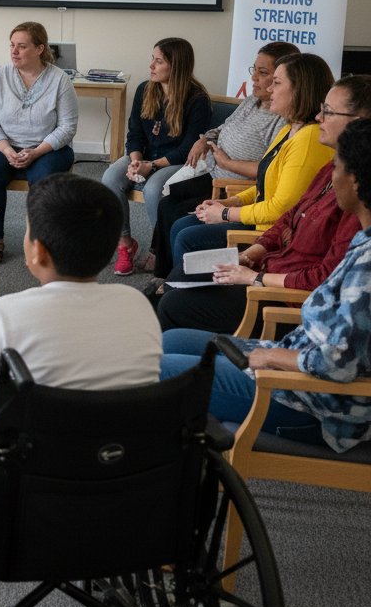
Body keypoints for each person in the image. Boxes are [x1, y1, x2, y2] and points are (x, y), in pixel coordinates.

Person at [161, 116, 371, 453]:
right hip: (293, 367)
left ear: (357, 182)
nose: (332, 175)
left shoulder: (367, 264)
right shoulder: (363, 242)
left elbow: (338, 363)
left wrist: (269, 356)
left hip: (313, 404)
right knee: (171, 339)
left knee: (159, 369)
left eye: (337, 167)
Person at [0, 174, 162, 447]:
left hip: (29, 469)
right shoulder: (138, 304)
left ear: (39, 251)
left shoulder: (5, 315)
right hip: (119, 459)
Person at [157, 74, 371, 333]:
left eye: (328, 112)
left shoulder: (358, 198)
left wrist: (255, 277)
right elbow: (288, 215)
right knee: (182, 274)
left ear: (360, 123)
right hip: (271, 268)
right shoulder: (331, 165)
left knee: (174, 303)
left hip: (285, 301)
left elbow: (324, 277)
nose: (319, 117)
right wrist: (251, 253)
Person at [165, 52, 335, 272]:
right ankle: (176, 285)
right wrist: (230, 202)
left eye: (277, 82)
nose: (271, 89)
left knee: (188, 236)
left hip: (268, 235)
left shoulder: (308, 140)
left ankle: (183, 289)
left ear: (299, 90)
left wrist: (225, 214)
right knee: (181, 225)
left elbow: (280, 209)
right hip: (258, 218)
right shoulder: (289, 129)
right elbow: (265, 185)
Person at [149, 41, 298, 277]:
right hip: (213, 172)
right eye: (254, 71)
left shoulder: (282, 120)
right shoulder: (251, 102)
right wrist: (205, 138)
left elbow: (267, 169)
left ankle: (170, 273)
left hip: (230, 185)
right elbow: (223, 127)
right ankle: (165, 267)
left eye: (264, 73)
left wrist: (228, 164)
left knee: (176, 215)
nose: (254, 79)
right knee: (168, 199)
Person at [101, 38, 211, 276]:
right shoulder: (145, 89)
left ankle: (158, 249)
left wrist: (151, 166)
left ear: (176, 66)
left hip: (177, 162)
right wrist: (135, 160)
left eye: (158, 61)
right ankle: (125, 244)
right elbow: (135, 134)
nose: (151, 65)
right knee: (110, 179)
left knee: (153, 189)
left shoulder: (197, 100)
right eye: (152, 59)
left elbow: (187, 149)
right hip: (146, 157)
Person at [0, 22, 78, 264]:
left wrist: (36, 152)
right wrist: (7, 149)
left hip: (47, 148)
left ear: (40, 49)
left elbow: (67, 127)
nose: (14, 51)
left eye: (22, 46)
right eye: (12, 45)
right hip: (4, 145)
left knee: (43, 179)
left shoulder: (59, 80)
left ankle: (39, 240)